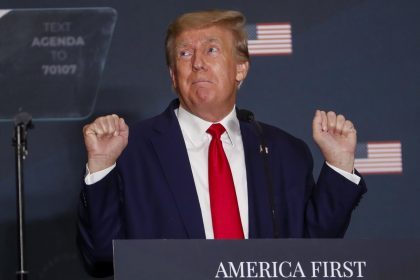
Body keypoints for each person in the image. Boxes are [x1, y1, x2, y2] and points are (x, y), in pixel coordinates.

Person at [77, 10, 366, 276]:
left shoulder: (284, 152)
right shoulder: (132, 150)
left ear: (240, 69)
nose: (198, 62)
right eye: (184, 53)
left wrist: (340, 165)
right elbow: (102, 257)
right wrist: (102, 166)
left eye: (211, 50)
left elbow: (314, 256)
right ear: (172, 76)